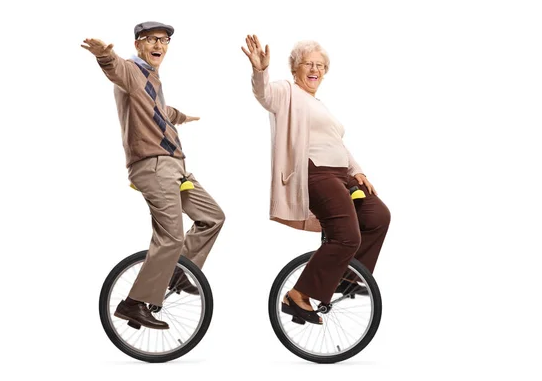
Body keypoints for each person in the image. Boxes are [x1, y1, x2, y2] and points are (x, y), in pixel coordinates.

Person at [82, 22, 225, 330]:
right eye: (152, 40)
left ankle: (177, 273)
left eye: (165, 40)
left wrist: (182, 117)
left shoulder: (151, 78)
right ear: (138, 45)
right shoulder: (132, 71)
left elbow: (160, 109)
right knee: (171, 236)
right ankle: (133, 304)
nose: (160, 44)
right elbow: (115, 68)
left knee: (212, 217)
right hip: (153, 165)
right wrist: (104, 56)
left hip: (176, 165)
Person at [242, 35, 390, 325]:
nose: (315, 70)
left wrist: (357, 170)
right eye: (308, 64)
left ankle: (345, 279)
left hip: (341, 173)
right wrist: (260, 71)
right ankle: (298, 294)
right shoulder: (288, 92)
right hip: (315, 172)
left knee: (377, 216)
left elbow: (337, 144)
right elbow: (264, 96)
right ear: (295, 68)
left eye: (320, 65)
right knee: (347, 236)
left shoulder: (319, 104)